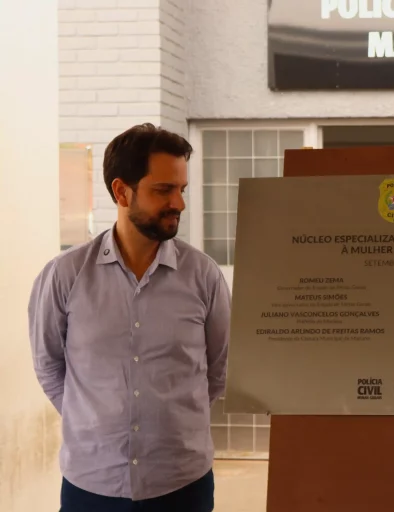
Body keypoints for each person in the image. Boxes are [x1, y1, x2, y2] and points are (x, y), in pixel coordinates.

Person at [28, 123, 231, 512]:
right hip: (92, 484)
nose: (179, 204)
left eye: (181, 190)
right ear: (122, 191)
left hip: (182, 484)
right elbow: (49, 365)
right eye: (163, 190)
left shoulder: (203, 276)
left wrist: (171, 425)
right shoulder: (65, 276)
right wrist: (97, 424)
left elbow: (218, 370)